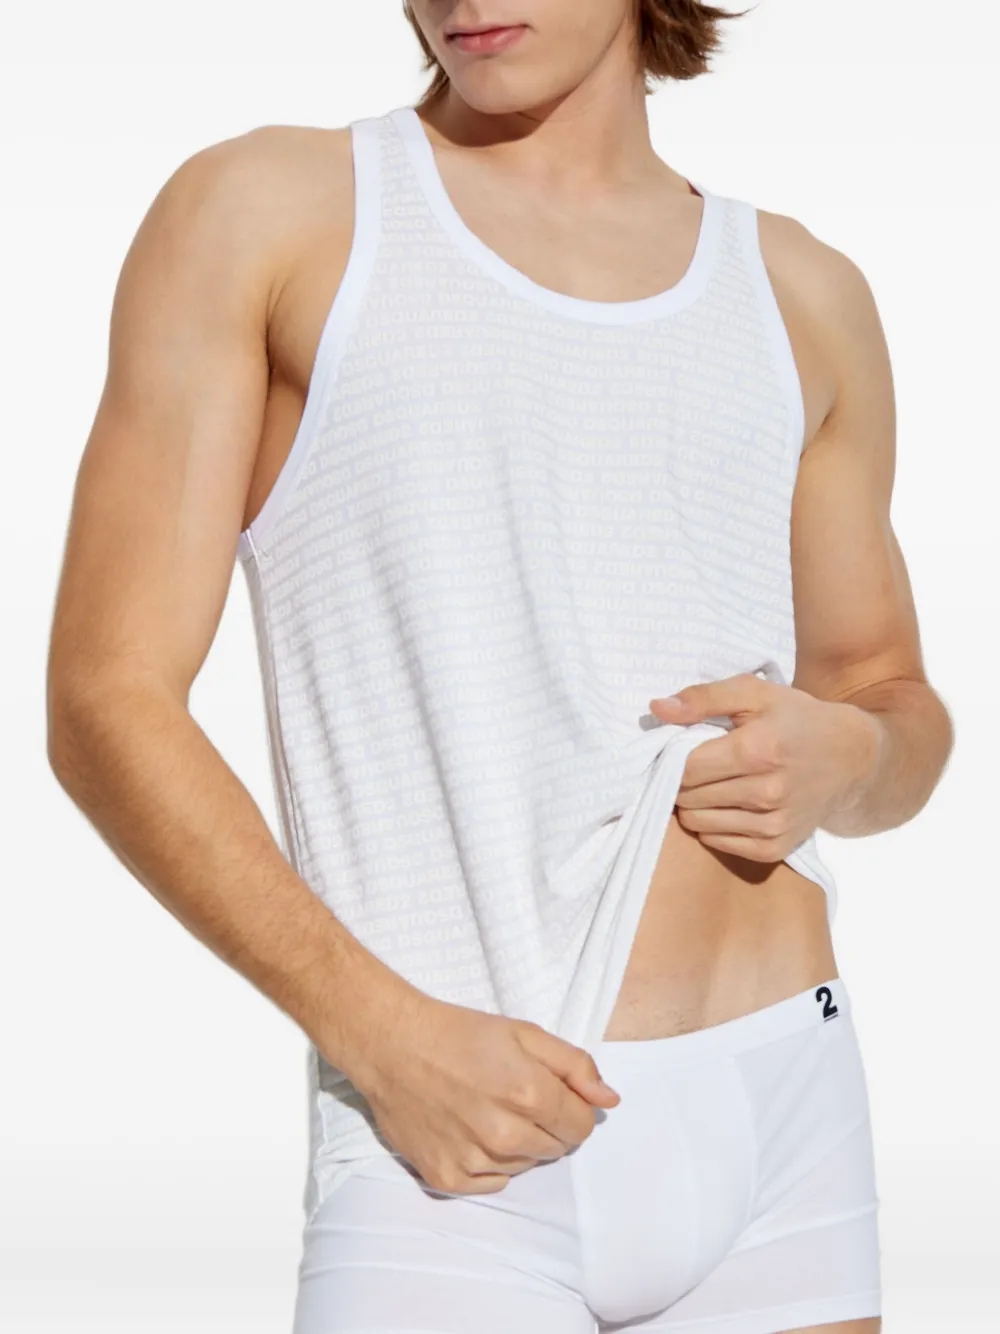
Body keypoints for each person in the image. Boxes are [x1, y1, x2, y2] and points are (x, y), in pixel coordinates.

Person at [46, 2, 954, 1331]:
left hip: (781, 1107)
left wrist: (852, 753)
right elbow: (105, 698)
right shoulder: (277, 215)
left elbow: (892, 694)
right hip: (452, 1137)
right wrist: (377, 1033)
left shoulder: (802, 292)